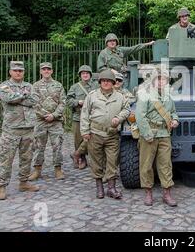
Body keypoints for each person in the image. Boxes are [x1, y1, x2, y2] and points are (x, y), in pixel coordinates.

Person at [80, 69, 130, 199]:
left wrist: (119, 118)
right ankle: (99, 187)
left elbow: (127, 109)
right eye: (104, 81)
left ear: (113, 83)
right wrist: (85, 131)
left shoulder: (120, 96)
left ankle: (111, 188)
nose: (106, 83)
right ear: (100, 82)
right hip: (95, 133)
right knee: (96, 161)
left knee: (112, 161)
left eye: (109, 81)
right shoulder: (92, 96)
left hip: (112, 134)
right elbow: (85, 114)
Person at [0, 61, 40, 200]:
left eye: (20, 70)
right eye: (15, 70)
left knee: (26, 158)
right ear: (10, 72)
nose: (18, 72)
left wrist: (19, 97)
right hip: (11, 129)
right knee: (6, 159)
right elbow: (9, 98)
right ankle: (1, 186)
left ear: (23, 72)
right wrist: (23, 96)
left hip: (28, 129)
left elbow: (34, 101)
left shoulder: (29, 86)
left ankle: (24, 182)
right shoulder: (4, 86)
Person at [136, 69, 179, 207]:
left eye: (164, 79)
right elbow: (140, 116)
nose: (161, 81)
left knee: (166, 165)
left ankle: (167, 193)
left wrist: (175, 120)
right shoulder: (145, 95)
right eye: (158, 79)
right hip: (150, 134)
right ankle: (148, 193)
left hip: (165, 135)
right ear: (153, 81)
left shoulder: (168, 97)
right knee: (146, 165)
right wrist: (147, 134)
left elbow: (173, 112)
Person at [29, 62, 66, 181]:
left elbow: (62, 102)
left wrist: (54, 115)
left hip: (56, 121)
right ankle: (37, 169)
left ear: (52, 71)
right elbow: (34, 103)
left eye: (48, 69)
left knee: (57, 145)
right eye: (44, 69)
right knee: (38, 146)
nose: (46, 71)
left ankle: (58, 169)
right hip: (41, 121)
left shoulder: (58, 85)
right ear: (40, 71)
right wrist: (45, 115)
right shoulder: (35, 86)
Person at [66, 65, 98, 169]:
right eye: (83, 73)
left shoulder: (96, 85)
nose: (85, 75)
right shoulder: (75, 87)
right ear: (80, 75)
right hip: (78, 117)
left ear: (90, 75)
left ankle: (77, 154)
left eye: (87, 73)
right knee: (79, 139)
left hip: (93, 117)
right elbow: (68, 101)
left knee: (92, 138)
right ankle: (82, 158)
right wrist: (78, 102)